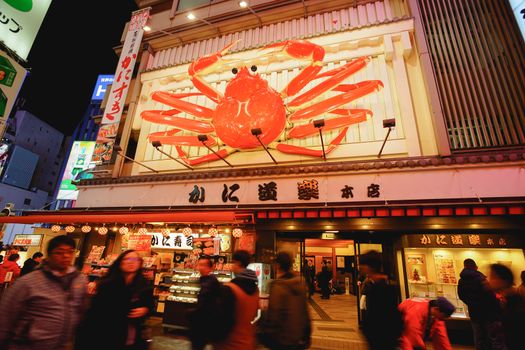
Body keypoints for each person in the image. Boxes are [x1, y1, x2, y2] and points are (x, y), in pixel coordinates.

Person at [0, 235, 87, 350]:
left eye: (70, 252)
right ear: (49, 255)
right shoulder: (28, 282)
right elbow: (6, 317)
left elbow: (80, 312)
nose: (66, 256)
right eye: (59, 252)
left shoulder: (79, 280)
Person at [76, 250, 154, 350]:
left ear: (140, 263)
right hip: (106, 336)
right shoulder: (106, 285)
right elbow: (95, 313)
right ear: (120, 262)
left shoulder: (144, 286)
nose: (131, 262)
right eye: (128, 259)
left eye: (135, 259)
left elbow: (150, 305)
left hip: (132, 338)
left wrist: (145, 309)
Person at [260, 252, 311, 349]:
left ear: (278, 265)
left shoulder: (278, 286)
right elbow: (305, 311)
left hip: (282, 340)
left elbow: (274, 315)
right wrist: (306, 334)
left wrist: (266, 335)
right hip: (298, 339)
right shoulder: (300, 284)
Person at [214, 250, 259, 350]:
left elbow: (223, 320)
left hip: (229, 344)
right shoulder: (256, 289)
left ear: (238, 263)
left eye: (232, 262)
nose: (231, 266)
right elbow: (254, 314)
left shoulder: (230, 289)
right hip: (247, 342)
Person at [359, 250, 403, 350]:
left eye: (362, 265)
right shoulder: (380, 285)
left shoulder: (380, 288)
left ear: (370, 267)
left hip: (381, 339)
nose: (360, 268)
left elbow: (381, 317)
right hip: (382, 338)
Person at [457, 258, 505, 350]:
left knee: (478, 336)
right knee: (491, 337)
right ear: (476, 267)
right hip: (487, 312)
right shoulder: (481, 279)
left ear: (465, 266)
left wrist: (471, 304)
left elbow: (461, 296)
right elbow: (490, 296)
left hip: (474, 312)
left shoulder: (461, 280)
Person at [488, 264, 525, 350]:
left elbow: (516, 335)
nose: (489, 281)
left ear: (503, 281)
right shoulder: (505, 299)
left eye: (493, 277)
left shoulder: (513, 301)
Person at [189, 256, 222, 350]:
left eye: (204, 265)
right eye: (199, 265)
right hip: (203, 323)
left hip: (204, 323)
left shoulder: (209, 282)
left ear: (210, 268)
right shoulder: (205, 280)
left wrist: (191, 314)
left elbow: (204, 304)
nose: (200, 267)